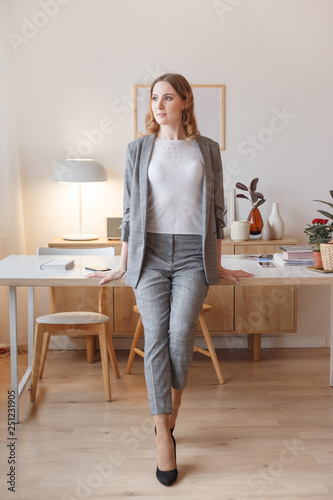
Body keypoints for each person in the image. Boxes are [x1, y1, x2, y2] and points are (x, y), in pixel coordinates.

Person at [87, 73, 253, 486]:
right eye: (154, 98)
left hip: (194, 256)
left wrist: (217, 266)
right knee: (156, 336)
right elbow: (129, 214)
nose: (159, 105)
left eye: (168, 97)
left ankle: (168, 414)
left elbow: (216, 214)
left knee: (181, 335)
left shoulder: (207, 150)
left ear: (185, 102)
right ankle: (164, 433)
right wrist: (124, 265)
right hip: (151, 254)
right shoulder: (138, 149)